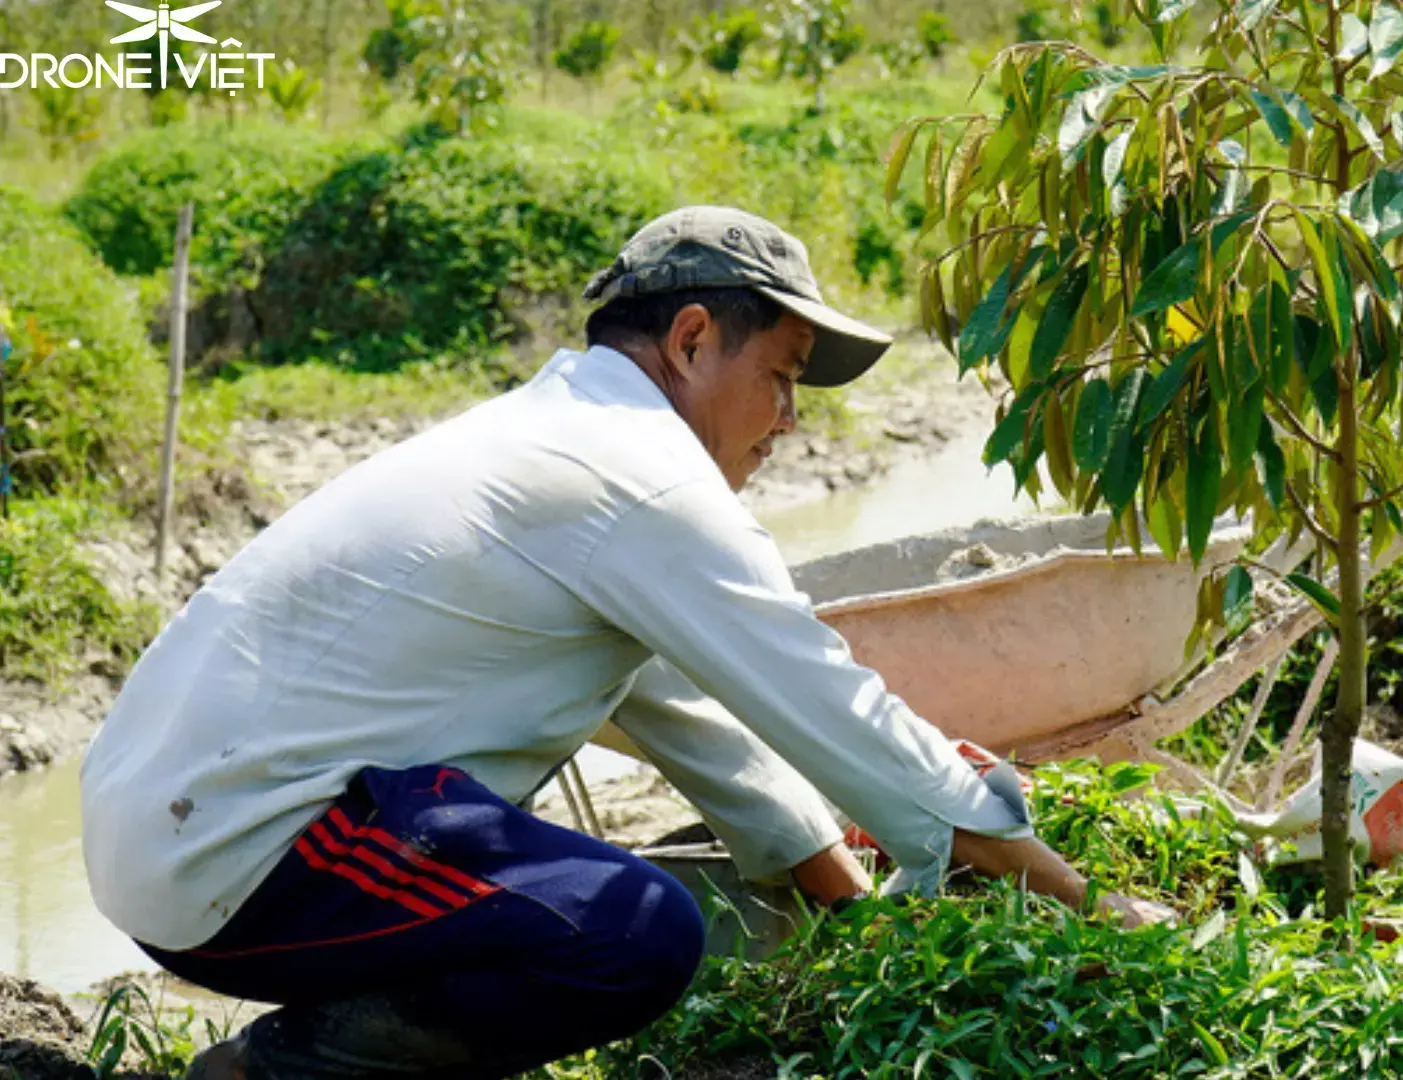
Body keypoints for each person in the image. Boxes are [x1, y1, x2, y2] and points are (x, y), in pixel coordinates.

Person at [80, 206, 1171, 1080]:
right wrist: (1091, 909)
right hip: (236, 855)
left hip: (171, 827)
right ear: (693, 339)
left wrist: (834, 891)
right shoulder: (636, 479)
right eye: (782, 378)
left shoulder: (564, 441)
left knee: (582, 905)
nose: (790, 420)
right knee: (631, 932)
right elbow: (837, 709)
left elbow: (669, 701)